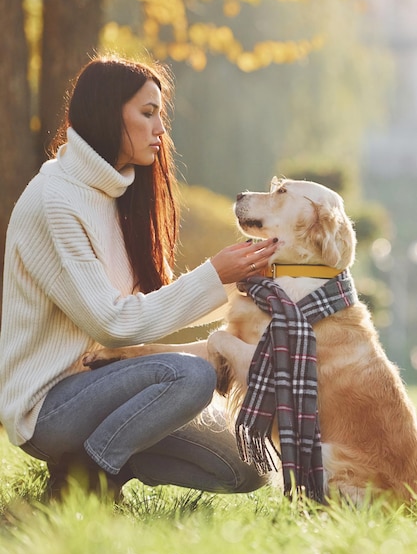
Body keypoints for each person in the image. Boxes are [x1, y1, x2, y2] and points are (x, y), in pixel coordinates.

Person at [0, 55, 278, 499]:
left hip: (112, 388)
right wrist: (215, 275)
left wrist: (240, 281)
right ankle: (86, 483)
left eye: (159, 115)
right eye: (147, 113)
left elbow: (150, 311)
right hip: (49, 407)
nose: (160, 130)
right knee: (190, 377)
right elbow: (112, 324)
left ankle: (99, 458)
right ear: (109, 113)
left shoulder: (118, 194)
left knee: (249, 464)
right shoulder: (55, 201)